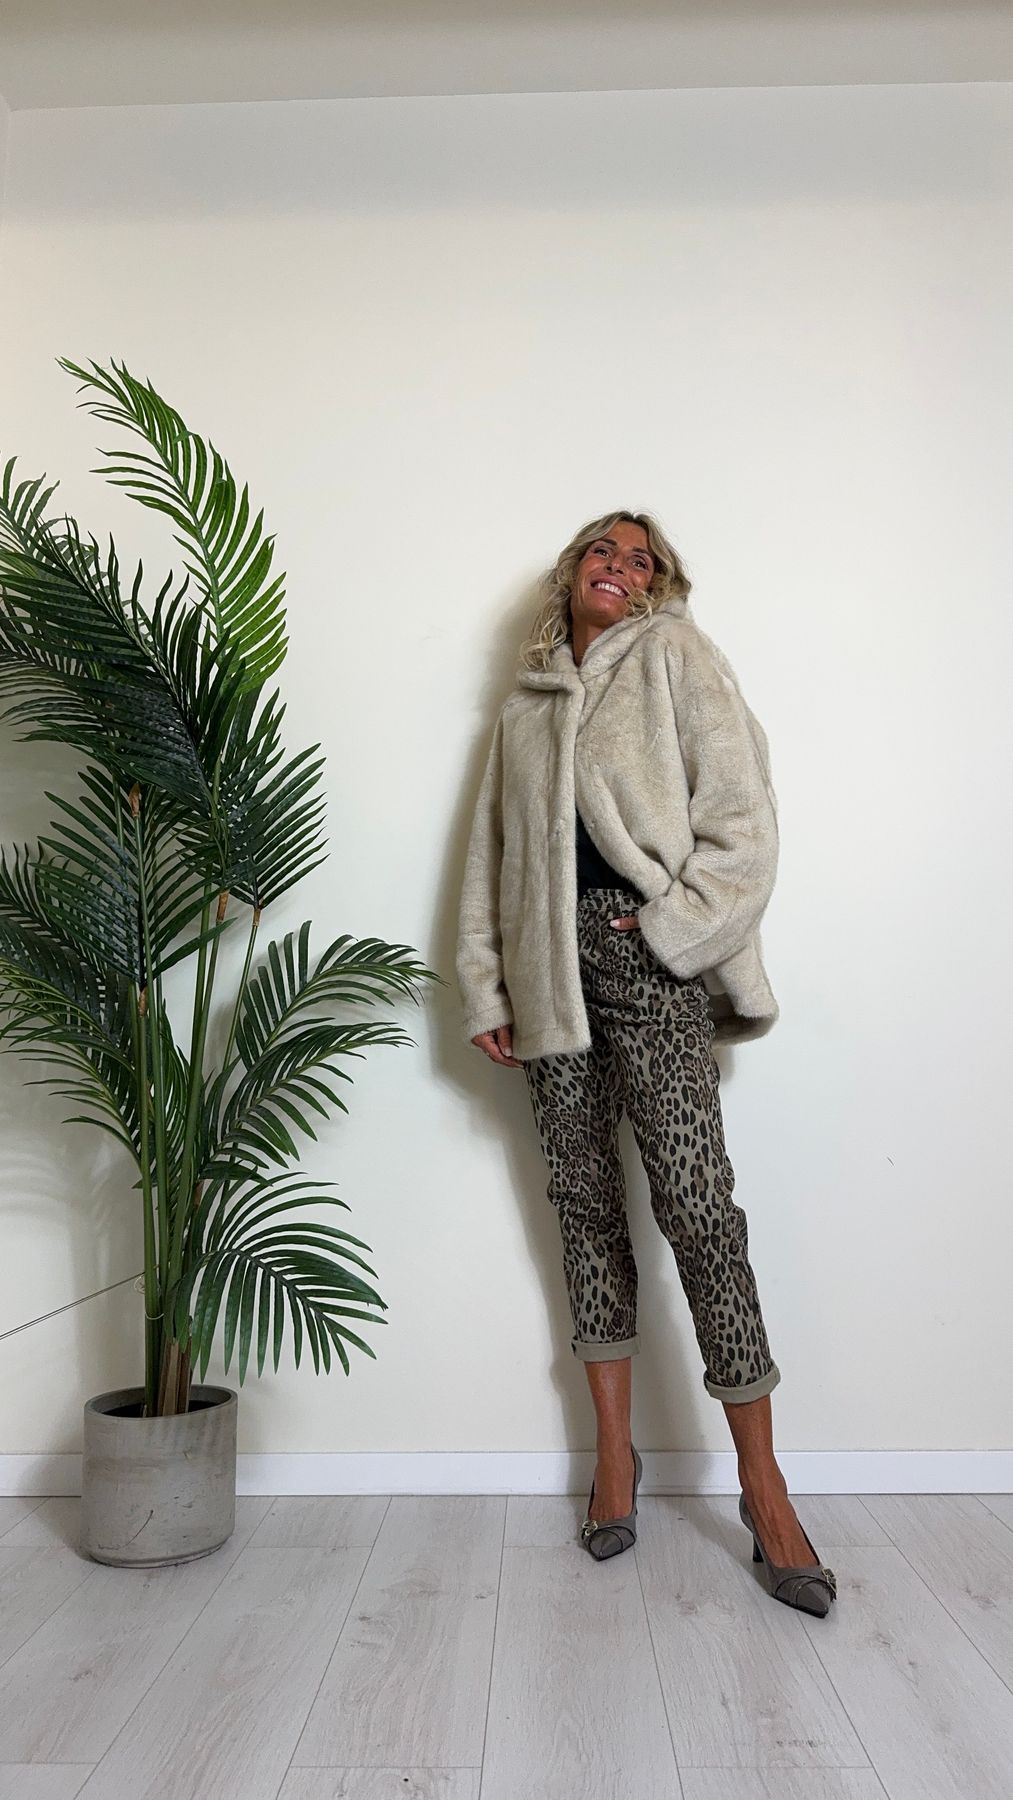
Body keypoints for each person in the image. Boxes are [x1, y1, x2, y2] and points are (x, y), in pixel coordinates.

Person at [456, 510, 835, 1617]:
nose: (619, 568)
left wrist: (670, 926)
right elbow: (490, 855)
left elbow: (744, 819)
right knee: (581, 1201)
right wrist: (488, 984)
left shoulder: (677, 657)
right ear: (570, 572)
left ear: (660, 584)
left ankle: (763, 1489)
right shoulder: (525, 707)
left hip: (649, 956)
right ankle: (613, 1461)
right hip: (546, 970)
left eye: (641, 559)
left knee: (698, 1207)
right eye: (602, 552)